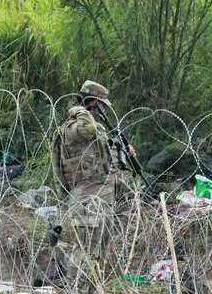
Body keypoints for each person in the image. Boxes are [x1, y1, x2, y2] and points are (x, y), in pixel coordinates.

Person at [51, 80, 134, 293]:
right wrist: (80, 110)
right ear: (93, 103)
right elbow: (87, 130)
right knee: (85, 247)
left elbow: (103, 163)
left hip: (102, 196)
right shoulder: (74, 127)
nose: (103, 110)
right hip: (87, 197)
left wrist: (122, 151)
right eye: (101, 105)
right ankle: (75, 289)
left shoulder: (96, 129)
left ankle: (92, 288)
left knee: (100, 249)